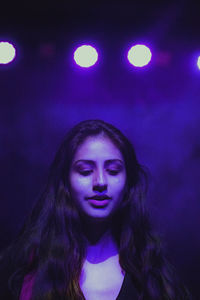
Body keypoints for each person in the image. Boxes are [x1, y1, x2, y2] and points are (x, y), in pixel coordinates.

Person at [0, 119, 191, 300]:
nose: (100, 182)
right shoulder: (24, 267)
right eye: (85, 171)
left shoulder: (153, 270)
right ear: (65, 183)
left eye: (113, 170)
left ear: (128, 183)